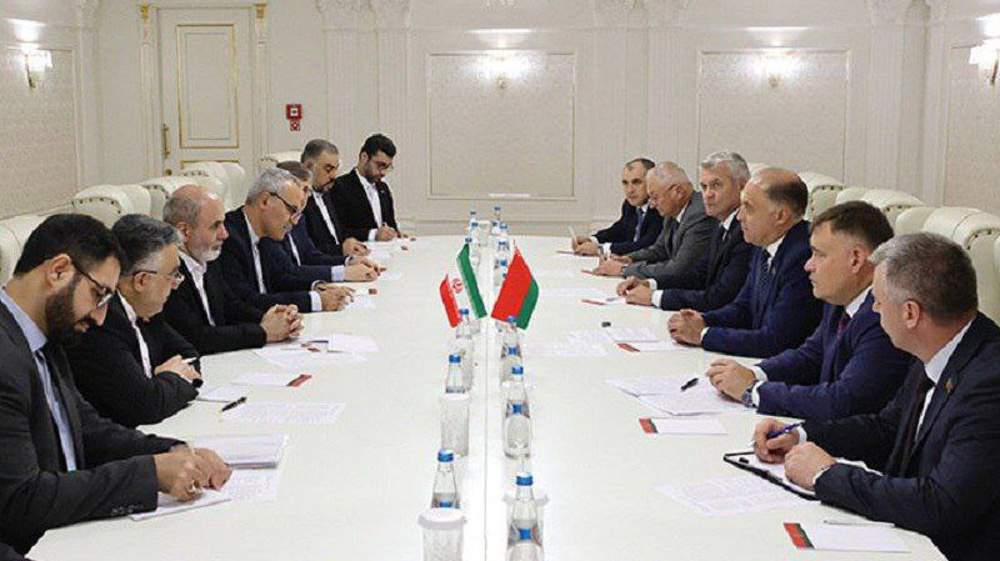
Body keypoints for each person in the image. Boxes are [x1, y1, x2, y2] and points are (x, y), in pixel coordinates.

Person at [754, 233, 1000, 561]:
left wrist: (826, 475)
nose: (874, 309)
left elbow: (942, 504)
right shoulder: (938, 347)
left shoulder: (988, 382)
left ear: (911, 314)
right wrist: (800, 434)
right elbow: (886, 429)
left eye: (879, 301)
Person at [0, 214, 230, 555]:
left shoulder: (44, 338)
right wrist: (149, 474)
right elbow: (21, 499)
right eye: (98, 295)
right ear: (58, 270)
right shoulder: (5, 356)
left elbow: (89, 430)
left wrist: (173, 451)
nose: (99, 317)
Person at [707, 201, 910, 420]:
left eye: (818, 255)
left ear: (856, 259)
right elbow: (811, 356)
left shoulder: (883, 318)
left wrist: (753, 391)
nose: (808, 265)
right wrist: (754, 374)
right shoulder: (840, 299)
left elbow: (843, 400)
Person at [668, 168, 823, 358]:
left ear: (780, 216)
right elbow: (743, 308)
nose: (740, 216)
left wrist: (703, 335)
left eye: (748, 208)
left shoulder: (803, 257)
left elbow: (775, 341)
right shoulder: (763, 244)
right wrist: (703, 320)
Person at [66, 215, 200, 428]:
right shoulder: (100, 323)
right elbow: (145, 406)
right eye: (173, 275)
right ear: (141, 281)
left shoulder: (148, 310)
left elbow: (189, 355)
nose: (176, 284)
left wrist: (161, 383)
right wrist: (171, 378)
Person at [161, 184, 302, 355]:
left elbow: (230, 306)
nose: (225, 234)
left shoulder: (207, 258)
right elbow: (197, 337)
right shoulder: (167, 273)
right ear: (184, 231)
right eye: (216, 226)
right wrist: (264, 332)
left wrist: (274, 318)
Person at [618, 151, 752, 311]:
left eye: (716, 185)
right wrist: (649, 283)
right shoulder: (722, 225)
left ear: (742, 187)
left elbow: (719, 297)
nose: (707, 194)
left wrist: (655, 296)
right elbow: (697, 275)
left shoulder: (746, 232)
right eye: (704, 186)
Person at [216, 168, 353, 313]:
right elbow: (246, 300)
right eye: (292, 210)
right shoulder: (229, 238)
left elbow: (279, 279)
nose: (294, 223)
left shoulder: (263, 232)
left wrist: (316, 287)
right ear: (265, 201)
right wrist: (316, 301)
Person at [590, 162, 716, 290]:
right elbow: (659, 249)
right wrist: (629, 259)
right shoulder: (673, 208)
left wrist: (624, 270)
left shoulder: (700, 215)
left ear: (678, 192)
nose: (651, 205)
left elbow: (679, 269)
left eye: (655, 198)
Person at [267, 161, 380, 290]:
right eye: (302, 190)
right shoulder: (272, 224)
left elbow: (310, 256)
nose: (305, 198)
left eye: (307, 191)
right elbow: (289, 272)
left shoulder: (300, 218)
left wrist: (349, 261)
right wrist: (344, 272)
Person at [571, 158, 661, 256]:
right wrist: (593, 240)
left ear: (651, 183)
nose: (629, 190)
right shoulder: (629, 204)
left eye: (636, 182)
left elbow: (646, 245)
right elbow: (619, 229)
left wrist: (601, 249)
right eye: (625, 183)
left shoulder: (660, 208)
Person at [300, 139, 369, 257]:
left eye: (335, 169)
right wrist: (341, 250)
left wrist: (351, 244)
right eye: (328, 169)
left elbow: (338, 235)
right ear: (307, 167)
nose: (334, 176)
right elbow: (306, 252)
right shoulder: (299, 202)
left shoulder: (327, 193)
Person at [331, 133, 403, 241]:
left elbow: (390, 223)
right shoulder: (340, 186)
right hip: (357, 254)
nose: (383, 173)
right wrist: (373, 234)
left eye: (387, 167)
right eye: (380, 165)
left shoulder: (383, 188)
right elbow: (337, 230)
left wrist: (396, 233)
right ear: (364, 157)